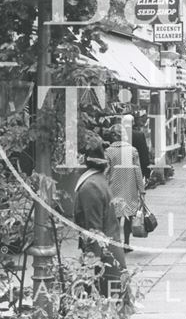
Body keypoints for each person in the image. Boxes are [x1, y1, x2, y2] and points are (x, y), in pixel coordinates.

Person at [74, 143, 127, 297]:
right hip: (109, 258)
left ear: (82, 159)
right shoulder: (97, 180)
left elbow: (94, 231)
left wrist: (89, 270)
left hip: (104, 263)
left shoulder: (90, 186)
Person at [104, 124, 146, 253]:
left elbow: (106, 172)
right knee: (128, 215)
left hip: (113, 187)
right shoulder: (132, 150)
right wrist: (141, 189)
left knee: (115, 216)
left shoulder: (108, 152)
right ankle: (126, 243)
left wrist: (103, 188)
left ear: (113, 136)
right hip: (130, 187)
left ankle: (115, 242)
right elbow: (138, 171)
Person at [131, 113, 152, 181]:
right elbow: (144, 154)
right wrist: (147, 172)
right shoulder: (139, 135)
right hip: (136, 167)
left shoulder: (116, 134)